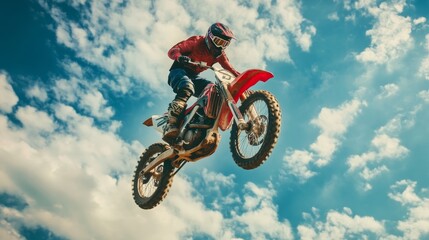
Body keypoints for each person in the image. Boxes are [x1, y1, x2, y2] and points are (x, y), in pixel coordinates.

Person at [163, 22, 240, 142]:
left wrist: (242, 79)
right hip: (178, 72)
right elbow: (173, 50)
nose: (221, 47)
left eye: (225, 44)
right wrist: (179, 57)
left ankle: (200, 119)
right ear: (210, 37)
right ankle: (172, 120)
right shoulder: (196, 42)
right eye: (219, 42)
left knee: (213, 90)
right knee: (187, 86)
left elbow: (230, 69)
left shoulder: (220, 55)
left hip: (194, 77)